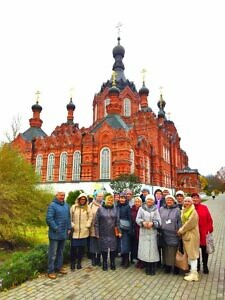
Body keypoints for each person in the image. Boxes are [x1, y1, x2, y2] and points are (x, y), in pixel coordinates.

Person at [46, 191, 71, 279]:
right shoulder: (52, 205)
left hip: (63, 233)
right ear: (56, 196)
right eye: (61, 195)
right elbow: (49, 219)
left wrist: (69, 228)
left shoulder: (66, 205)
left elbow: (68, 218)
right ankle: (50, 271)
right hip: (55, 234)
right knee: (53, 254)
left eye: (64, 195)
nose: (62, 197)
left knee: (60, 252)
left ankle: (59, 267)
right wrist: (55, 228)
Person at [136, 194, 161, 275]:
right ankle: (147, 267)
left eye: (151, 200)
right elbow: (137, 219)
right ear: (146, 200)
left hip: (152, 232)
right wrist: (143, 223)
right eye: (148, 200)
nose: (149, 201)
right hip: (144, 232)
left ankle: (152, 267)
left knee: (153, 251)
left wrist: (153, 224)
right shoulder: (141, 208)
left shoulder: (155, 209)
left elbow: (159, 221)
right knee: (145, 250)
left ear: (153, 201)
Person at [95, 194, 121, 271]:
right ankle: (105, 262)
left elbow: (118, 222)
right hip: (103, 231)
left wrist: (119, 231)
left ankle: (112, 262)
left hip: (113, 232)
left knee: (113, 248)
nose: (110, 201)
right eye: (108, 200)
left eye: (111, 200)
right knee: (104, 248)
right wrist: (97, 233)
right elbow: (96, 222)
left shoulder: (115, 209)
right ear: (105, 200)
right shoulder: (100, 209)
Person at [177, 197, 200, 282]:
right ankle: (192, 272)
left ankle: (194, 274)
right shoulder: (184, 210)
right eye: (185, 201)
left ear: (191, 203)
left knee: (193, 255)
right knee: (189, 254)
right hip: (187, 236)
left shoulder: (193, 212)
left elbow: (189, 224)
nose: (186, 202)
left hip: (192, 236)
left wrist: (181, 230)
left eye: (188, 201)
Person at [191, 192, 213, 274]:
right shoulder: (190, 208)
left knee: (204, 250)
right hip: (194, 233)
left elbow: (209, 219)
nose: (195, 199)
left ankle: (205, 266)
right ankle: (197, 266)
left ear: (199, 199)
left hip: (204, 232)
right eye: (193, 198)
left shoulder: (204, 207)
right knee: (196, 251)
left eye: (196, 197)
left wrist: (209, 229)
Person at [70, 193, 93, 271]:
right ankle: (73, 263)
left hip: (84, 231)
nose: (82, 200)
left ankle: (79, 262)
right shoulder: (73, 207)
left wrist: (87, 225)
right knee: (73, 248)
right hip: (75, 231)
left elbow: (90, 217)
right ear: (79, 199)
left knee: (81, 249)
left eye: (84, 199)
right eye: (81, 199)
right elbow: (69, 217)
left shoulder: (88, 208)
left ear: (86, 200)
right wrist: (72, 225)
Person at [159, 195, 181, 274]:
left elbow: (179, 221)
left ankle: (175, 266)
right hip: (164, 233)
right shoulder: (161, 209)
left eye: (170, 200)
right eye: (167, 200)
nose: (169, 201)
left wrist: (179, 230)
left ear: (174, 201)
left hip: (173, 233)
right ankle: (167, 266)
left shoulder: (177, 210)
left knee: (173, 250)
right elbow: (159, 219)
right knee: (166, 251)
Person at [117, 192, 132, 268]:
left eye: (123, 198)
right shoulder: (117, 206)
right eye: (121, 198)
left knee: (125, 245)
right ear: (119, 198)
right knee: (121, 245)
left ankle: (127, 261)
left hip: (125, 229)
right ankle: (123, 259)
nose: (122, 199)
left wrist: (130, 229)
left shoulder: (127, 206)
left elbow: (130, 218)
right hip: (118, 228)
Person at [89, 191, 103, 266]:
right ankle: (93, 259)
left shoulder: (104, 204)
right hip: (93, 228)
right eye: (99, 196)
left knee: (100, 244)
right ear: (95, 196)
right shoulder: (91, 205)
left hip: (102, 228)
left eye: (101, 196)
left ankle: (98, 258)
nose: (100, 198)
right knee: (93, 244)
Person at [130, 196, 143, 267]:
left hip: (141, 230)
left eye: (138, 202)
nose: (137, 203)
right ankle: (137, 259)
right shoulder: (132, 209)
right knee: (135, 245)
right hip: (134, 229)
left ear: (141, 203)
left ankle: (142, 261)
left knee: (141, 245)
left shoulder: (143, 209)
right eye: (136, 201)